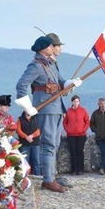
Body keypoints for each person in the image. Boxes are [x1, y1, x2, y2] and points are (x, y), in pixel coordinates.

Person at [15, 35, 77, 193]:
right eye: (50, 46)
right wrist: (27, 106)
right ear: (43, 48)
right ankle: (48, 180)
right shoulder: (36, 66)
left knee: (54, 144)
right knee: (48, 145)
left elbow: (61, 82)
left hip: (56, 108)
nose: (52, 47)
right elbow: (21, 85)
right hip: (46, 109)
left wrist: (71, 83)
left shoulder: (51, 65)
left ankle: (52, 176)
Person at [63, 95, 90, 175]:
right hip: (71, 135)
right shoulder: (68, 111)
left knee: (80, 151)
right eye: (74, 101)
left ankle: (80, 169)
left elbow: (87, 121)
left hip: (81, 135)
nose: (76, 103)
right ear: (72, 102)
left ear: (79, 102)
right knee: (73, 152)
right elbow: (64, 122)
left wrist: (83, 129)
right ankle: (74, 169)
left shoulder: (83, 110)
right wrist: (68, 130)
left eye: (77, 101)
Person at [17, 109, 42, 177]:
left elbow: (39, 130)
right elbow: (18, 130)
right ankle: (26, 176)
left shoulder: (36, 118)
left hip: (35, 143)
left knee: (37, 161)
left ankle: (38, 176)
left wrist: (32, 136)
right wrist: (26, 137)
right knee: (25, 161)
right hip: (24, 144)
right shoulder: (20, 119)